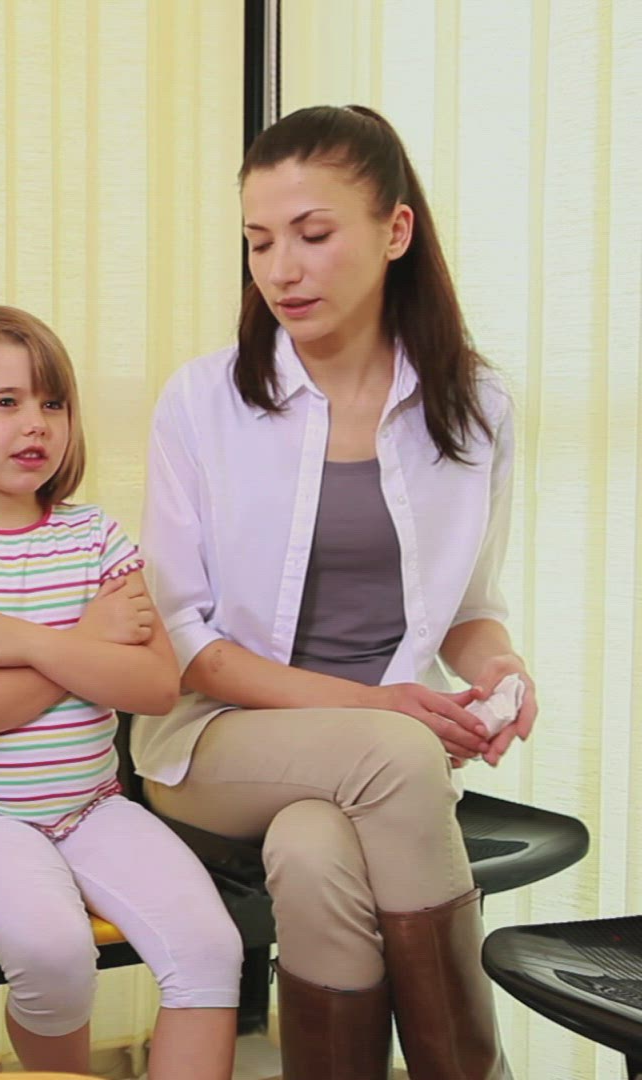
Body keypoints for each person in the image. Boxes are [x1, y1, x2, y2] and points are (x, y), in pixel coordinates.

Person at [136, 105, 526, 1080]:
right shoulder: (203, 402)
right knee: (392, 754)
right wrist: (377, 709)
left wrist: (502, 671)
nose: (282, 269)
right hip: (216, 740)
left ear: (395, 232)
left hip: (375, 760)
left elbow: (470, 608)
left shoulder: (477, 408)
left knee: (313, 855)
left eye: (312, 234)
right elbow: (188, 644)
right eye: (260, 241)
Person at [0, 305, 241, 1079]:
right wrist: (90, 639)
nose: (36, 422)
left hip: (89, 807)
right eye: (5, 402)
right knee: (55, 954)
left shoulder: (98, 538)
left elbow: (155, 686)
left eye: (53, 403)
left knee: (212, 949)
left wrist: (33, 642)